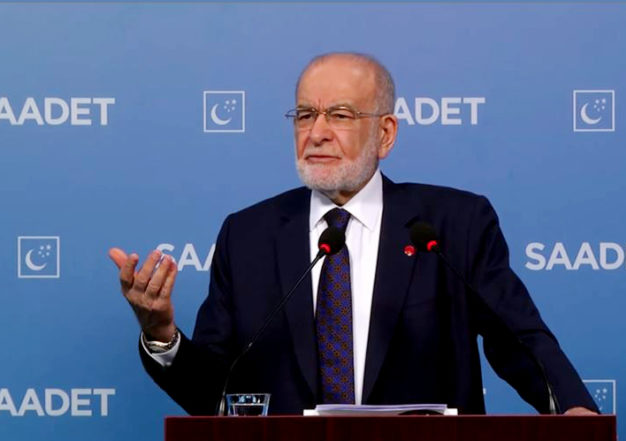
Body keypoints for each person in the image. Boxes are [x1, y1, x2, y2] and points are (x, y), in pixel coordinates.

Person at [109, 52, 598, 416]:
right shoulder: (248, 236)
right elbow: (212, 394)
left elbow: (520, 340)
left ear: (385, 134)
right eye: (305, 114)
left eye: (340, 115)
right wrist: (162, 335)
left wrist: (574, 409)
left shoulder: (453, 224)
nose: (316, 132)